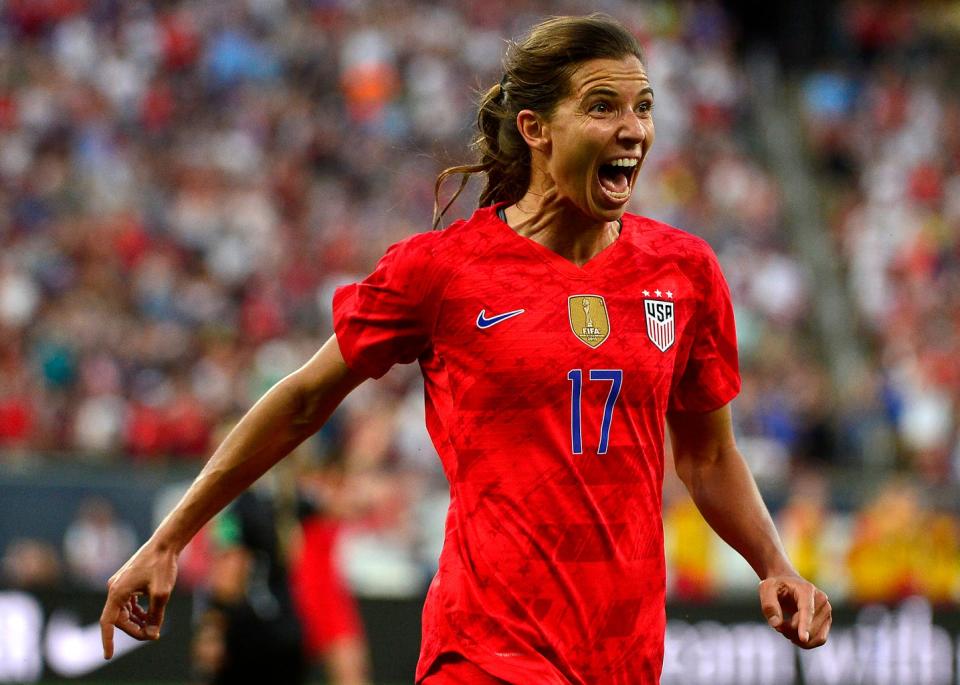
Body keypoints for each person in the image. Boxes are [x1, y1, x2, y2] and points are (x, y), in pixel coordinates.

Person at [100, 14, 832, 684]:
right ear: (536, 128)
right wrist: (169, 538)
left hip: (623, 656)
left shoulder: (686, 272)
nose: (633, 129)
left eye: (644, 108)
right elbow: (301, 400)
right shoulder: (442, 270)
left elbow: (706, 455)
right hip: (484, 651)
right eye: (604, 106)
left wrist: (775, 564)